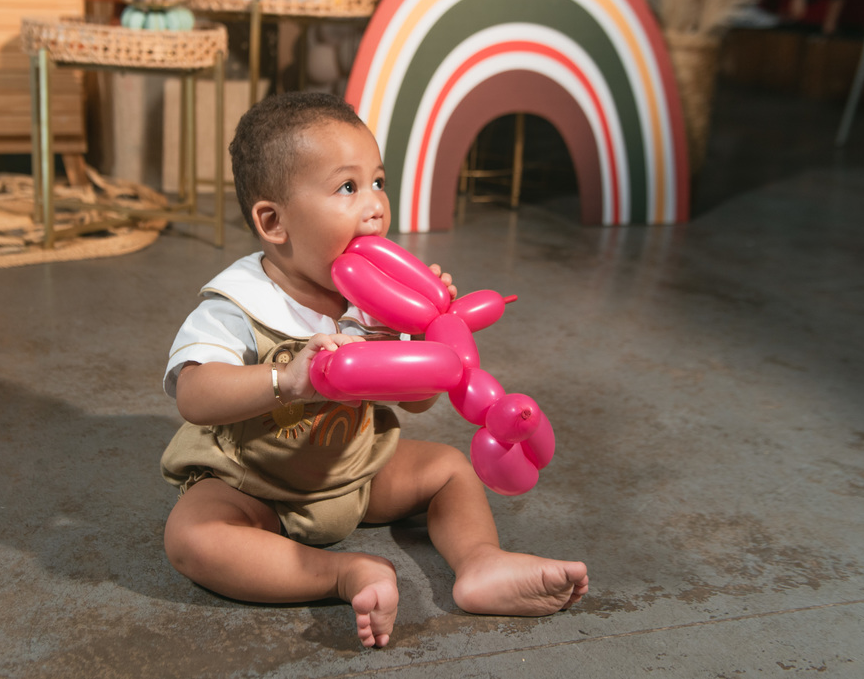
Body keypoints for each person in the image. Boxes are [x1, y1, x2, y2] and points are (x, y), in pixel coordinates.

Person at [159, 92, 588, 648]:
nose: (376, 205)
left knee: (449, 468)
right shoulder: (239, 302)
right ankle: (343, 574)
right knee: (192, 537)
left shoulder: (374, 299)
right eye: (348, 187)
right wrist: (287, 381)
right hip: (257, 482)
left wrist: (427, 333)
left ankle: (481, 562)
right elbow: (194, 394)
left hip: (356, 467)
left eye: (378, 181)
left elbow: (417, 402)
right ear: (274, 221)